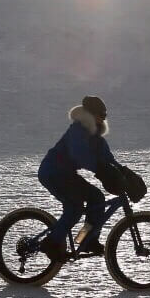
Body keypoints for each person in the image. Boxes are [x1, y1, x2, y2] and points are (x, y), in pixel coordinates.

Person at [36, 95, 120, 257]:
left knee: (97, 198)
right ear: (90, 114)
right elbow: (79, 154)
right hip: (53, 172)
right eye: (100, 114)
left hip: (66, 174)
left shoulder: (95, 137)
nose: (103, 118)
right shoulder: (78, 129)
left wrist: (122, 171)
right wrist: (100, 169)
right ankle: (52, 243)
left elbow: (107, 157)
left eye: (105, 115)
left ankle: (86, 238)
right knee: (75, 207)